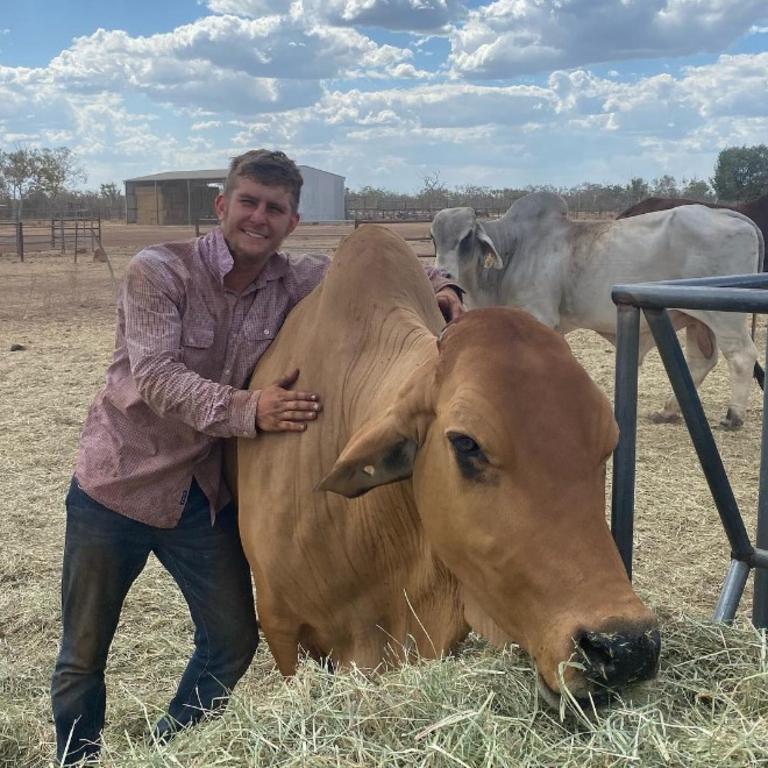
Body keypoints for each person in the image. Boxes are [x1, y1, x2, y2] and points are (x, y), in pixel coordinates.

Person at [51, 149, 464, 765]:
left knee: (233, 640)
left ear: (292, 222)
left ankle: (169, 749)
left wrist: (444, 286)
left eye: (276, 209)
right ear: (223, 206)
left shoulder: (295, 279)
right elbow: (158, 377)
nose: (259, 218)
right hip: (118, 486)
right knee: (84, 651)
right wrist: (253, 412)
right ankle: (74, 758)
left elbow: (372, 269)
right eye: (248, 202)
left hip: (202, 496)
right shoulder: (159, 270)